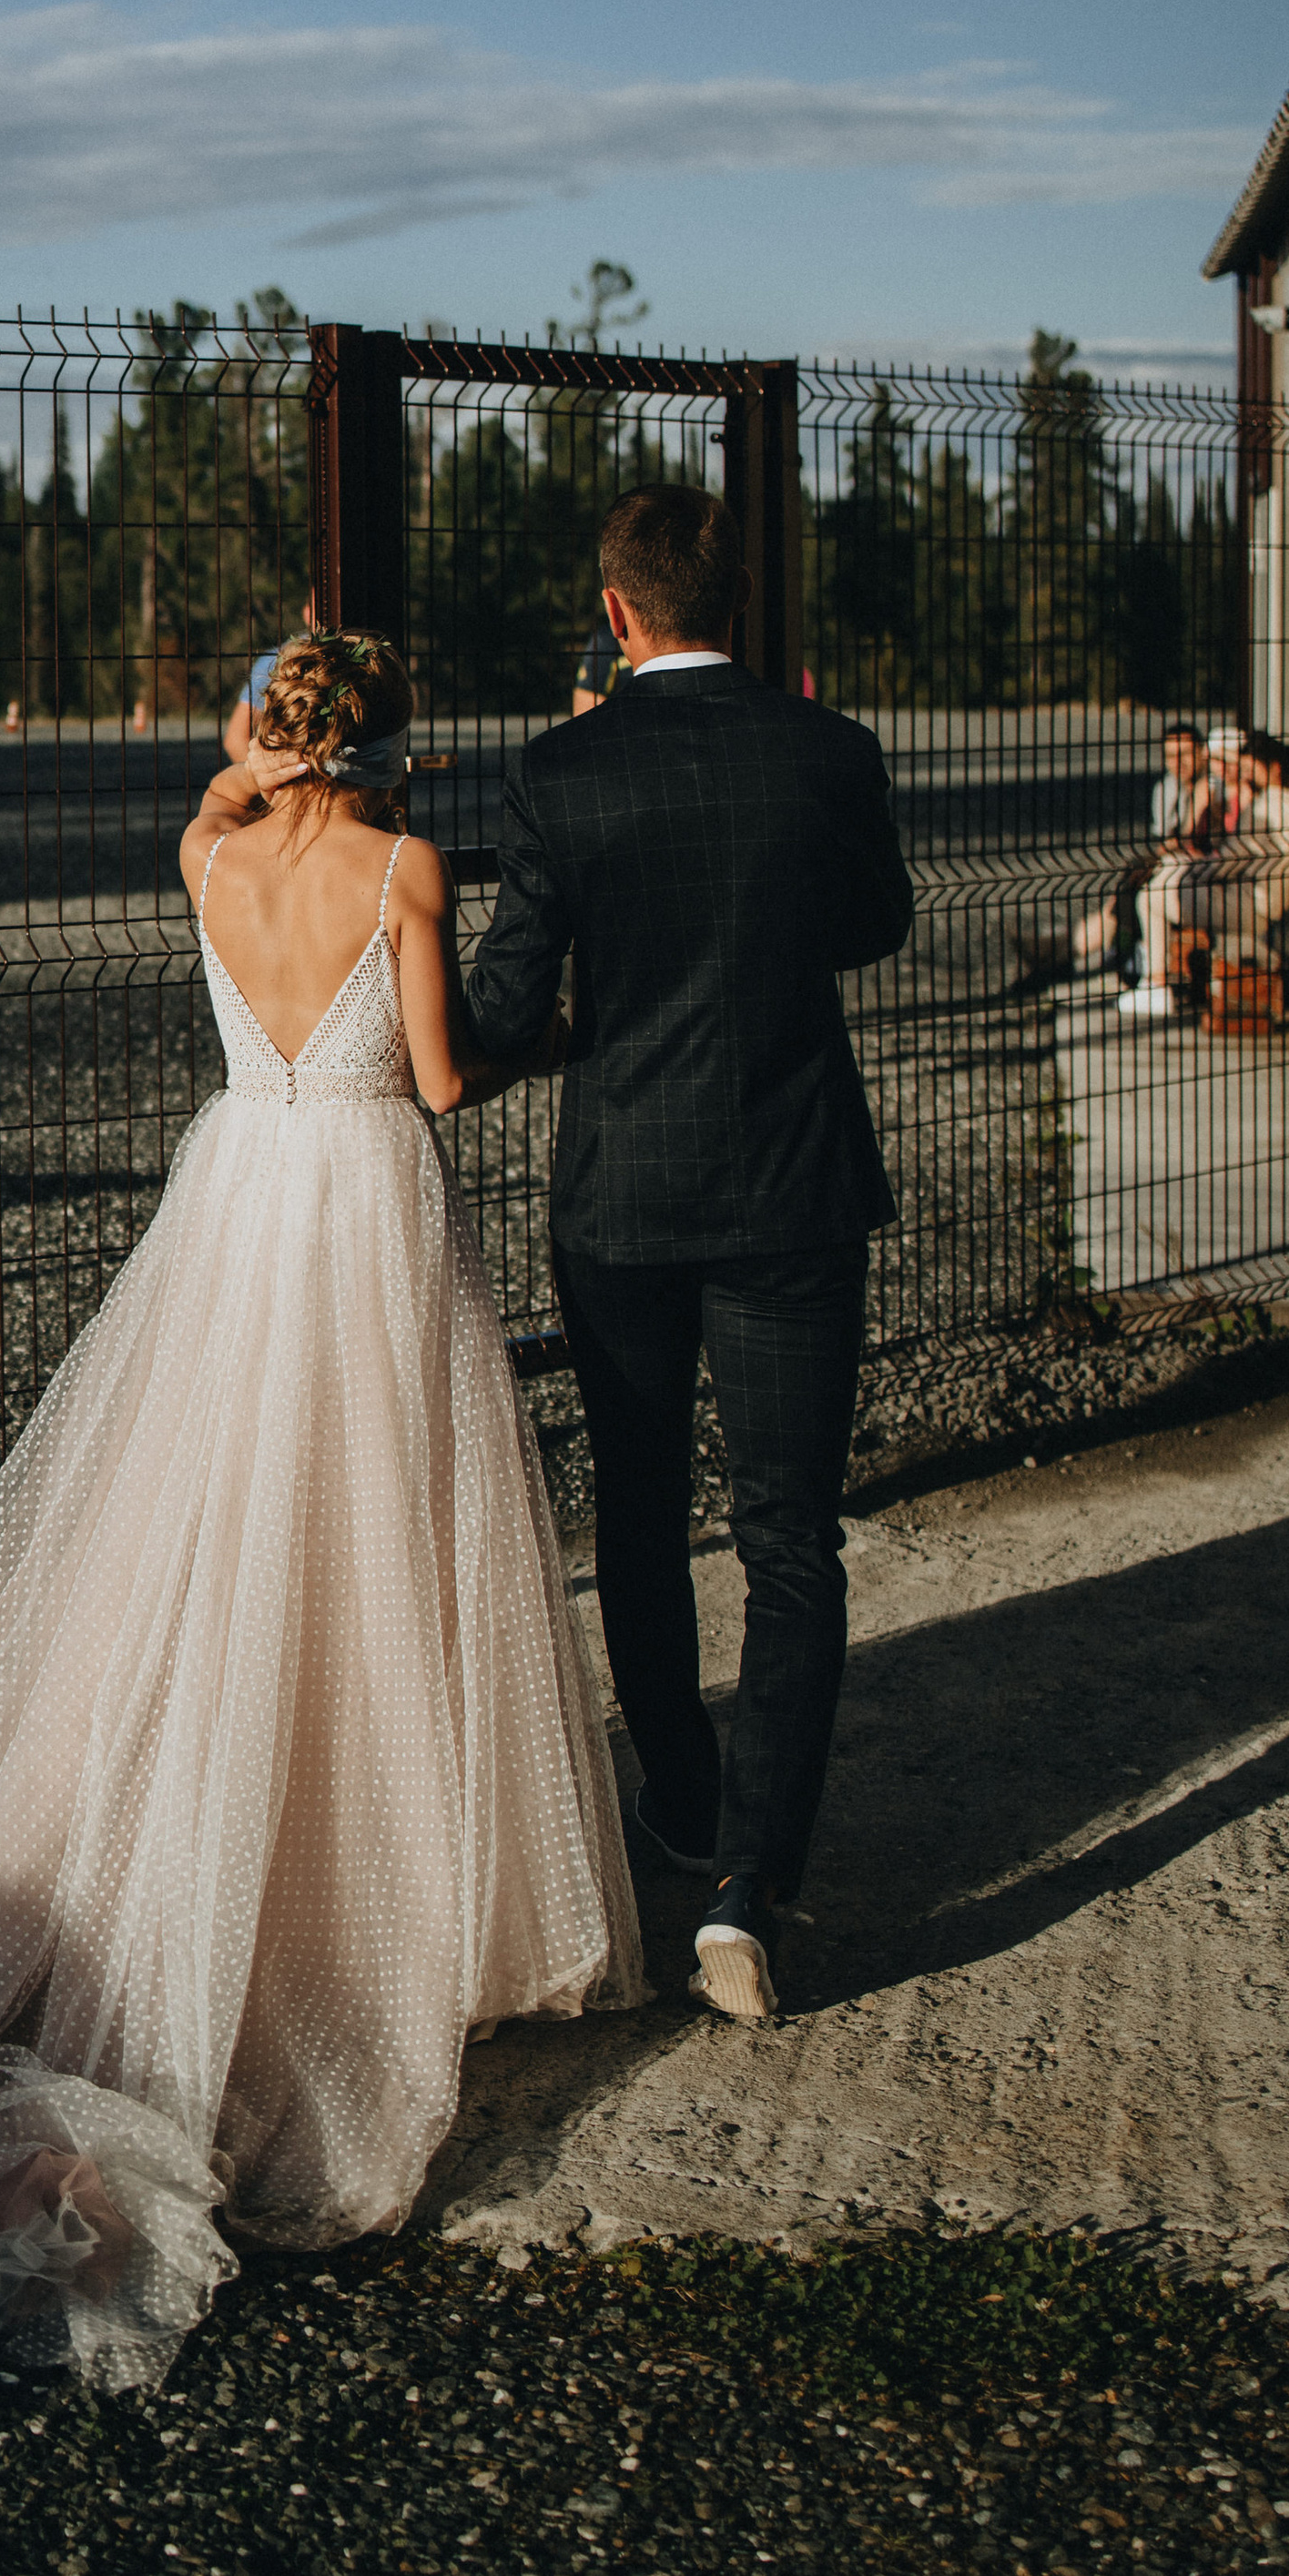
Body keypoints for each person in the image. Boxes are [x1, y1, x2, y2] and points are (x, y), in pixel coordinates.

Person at [0, 631, 642, 2391]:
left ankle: (208, 1834)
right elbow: (438, 1079)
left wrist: (243, 778)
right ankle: (360, 1895)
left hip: (242, 1195)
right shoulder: (406, 869)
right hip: (364, 1205)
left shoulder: (206, 858)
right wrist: (568, 1020)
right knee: (373, 1549)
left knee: (196, 1531)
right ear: (387, 743)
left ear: (269, 735)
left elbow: (215, 798)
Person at [466, 483, 913, 2027]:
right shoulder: (831, 751)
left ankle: (679, 1791)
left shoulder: (562, 772)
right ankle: (750, 1885)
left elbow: (505, 1009)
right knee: (793, 1537)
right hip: (795, 1188)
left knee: (644, 1513)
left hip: (625, 1200)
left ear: (616, 611)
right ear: (740, 601)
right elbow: (874, 925)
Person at [1117, 729, 1289, 1019]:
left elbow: (1233, 858)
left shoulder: (1271, 806)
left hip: (1251, 905)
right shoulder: (1278, 801)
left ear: (1274, 768)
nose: (1248, 773)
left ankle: (1155, 984)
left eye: (1252, 768)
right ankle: (1152, 980)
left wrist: (1196, 869)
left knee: (1152, 897)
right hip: (1250, 896)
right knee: (1166, 880)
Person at [1015, 721, 1215, 987]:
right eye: (1170, 756)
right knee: (1125, 892)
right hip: (1172, 867)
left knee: (1125, 897)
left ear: (1202, 752)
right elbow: (1168, 840)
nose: (1178, 763)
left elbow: (1187, 840)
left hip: (1194, 875)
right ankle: (1062, 953)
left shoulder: (1210, 787)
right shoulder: (1166, 789)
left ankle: (1061, 952)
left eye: (1185, 754)